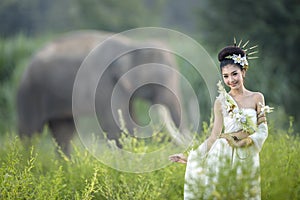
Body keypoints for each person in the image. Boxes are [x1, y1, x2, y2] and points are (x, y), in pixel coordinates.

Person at [169, 43, 272, 199]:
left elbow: (263, 129)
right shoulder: (221, 101)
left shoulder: (257, 97)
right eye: (226, 76)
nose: (230, 80)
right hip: (223, 153)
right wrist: (191, 156)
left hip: (247, 153)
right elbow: (214, 137)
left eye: (234, 74)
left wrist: (247, 141)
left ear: (243, 71)